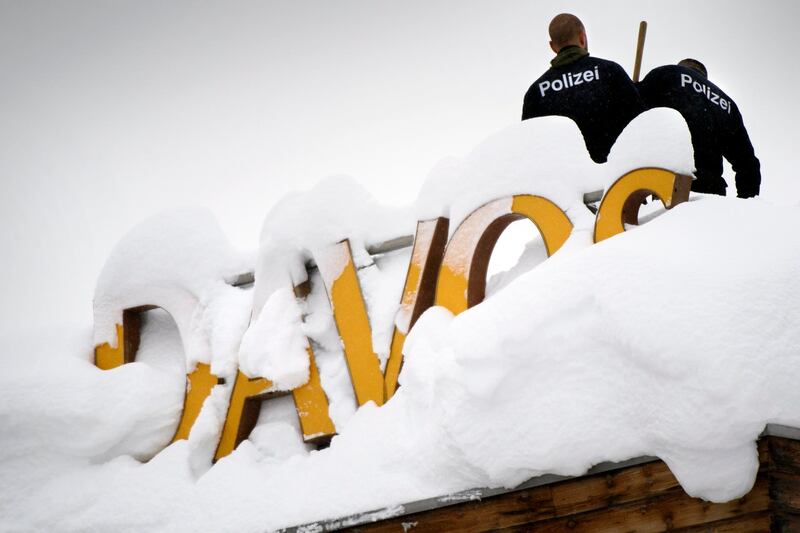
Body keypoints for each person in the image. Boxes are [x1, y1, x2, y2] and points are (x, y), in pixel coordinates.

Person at [522, 13, 643, 163]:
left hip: (568, 181)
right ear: (582, 37)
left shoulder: (536, 93)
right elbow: (641, 124)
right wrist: (636, 92)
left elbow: (530, 148)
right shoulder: (610, 71)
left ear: (553, 46)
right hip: (617, 178)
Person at [637, 59, 761, 198]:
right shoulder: (727, 105)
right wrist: (746, 202)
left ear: (682, 68)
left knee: (669, 219)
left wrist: (635, 88)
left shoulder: (668, 74)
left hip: (671, 182)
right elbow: (747, 163)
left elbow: (631, 110)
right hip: (710, 190)